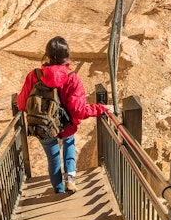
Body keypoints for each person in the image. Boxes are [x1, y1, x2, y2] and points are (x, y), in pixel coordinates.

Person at [15, 36, 108, 194]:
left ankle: (58, 191)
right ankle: (70, 180)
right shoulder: (72, 78)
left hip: (44, 126)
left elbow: (22, 105)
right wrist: (101, 109)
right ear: (67, 56)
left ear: (47, 55)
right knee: (69, 143)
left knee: (53, 159)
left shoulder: (34, 76)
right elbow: (78, 110)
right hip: (66, 125)